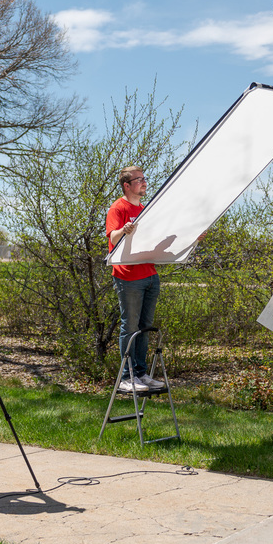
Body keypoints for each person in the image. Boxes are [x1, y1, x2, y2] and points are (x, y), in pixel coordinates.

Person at [106, 165, 165, 393]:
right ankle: (126, 377)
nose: (144, 182)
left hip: (150, 275)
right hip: (128, 277)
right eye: (138, 179)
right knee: (129, 327)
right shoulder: (118, 208)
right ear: (127, 185)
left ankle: (141, 373)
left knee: (145, 327)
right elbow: (112, 235)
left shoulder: (146, 209)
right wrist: (124, 229)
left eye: (144, 178)